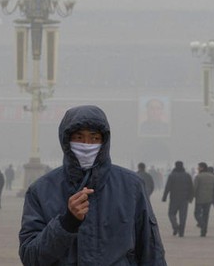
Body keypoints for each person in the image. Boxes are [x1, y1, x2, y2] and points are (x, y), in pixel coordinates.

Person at [19, 105, 167, 265]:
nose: (87, 144)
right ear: (66, 140)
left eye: (94, 138)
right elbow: (30, 257)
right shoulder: (41, 191)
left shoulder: (131, 186)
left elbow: (151, 251)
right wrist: (66, 223)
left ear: (104, 141)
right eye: (79, 137)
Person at [162, 161, 194, 237]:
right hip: (184, 199)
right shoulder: (187, 175)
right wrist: (190, 198)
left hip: (174, 198)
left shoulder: (172, 175)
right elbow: (191, 188)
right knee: (183, 216)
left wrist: (164, 197)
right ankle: (181, 232)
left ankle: (175, 226)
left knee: (171, 214)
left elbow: (167, 187)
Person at [193, 162, 214, 237]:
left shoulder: (198, 177)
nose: (197, 168)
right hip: (209, 199)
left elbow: (194, 188)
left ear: (202, 168)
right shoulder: (212, 176)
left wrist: (191, 197)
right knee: (206, 215)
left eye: (198, 167)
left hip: (199, 199)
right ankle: (204, 232)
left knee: (197, 214)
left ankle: (202, 224)